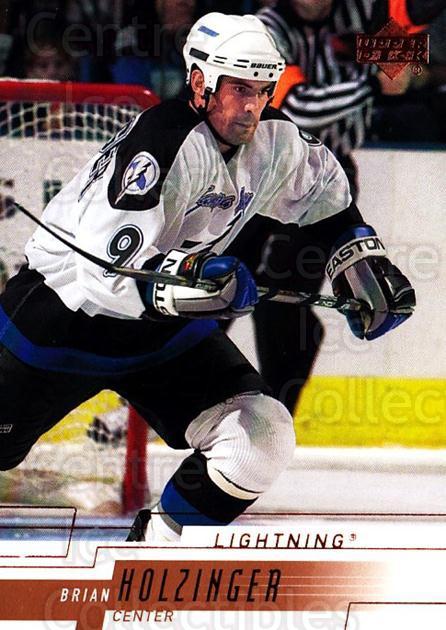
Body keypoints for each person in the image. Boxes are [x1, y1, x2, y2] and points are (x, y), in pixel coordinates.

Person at [0, 13, 415, 543]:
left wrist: (359, 260)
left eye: (262, 90)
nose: (252, 107)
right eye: (239, 89)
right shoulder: (161, 142)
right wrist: (194, 279)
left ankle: (154, 553)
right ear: (200, 83)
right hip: (60, 320)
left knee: (260, 435)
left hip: (157, 334)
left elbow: (326, 199)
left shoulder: (275, 143)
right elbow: (105, 273)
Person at [223, 0, 445, 414]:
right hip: (256, 176)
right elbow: (297, 108)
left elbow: (410, 51)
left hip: (326, 182)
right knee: (215, 290)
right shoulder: (267, 28)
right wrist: (374, 83)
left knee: (282, 300)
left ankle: (274, 417)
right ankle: (171, 395)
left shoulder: (364, 13)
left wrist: (405, 64)